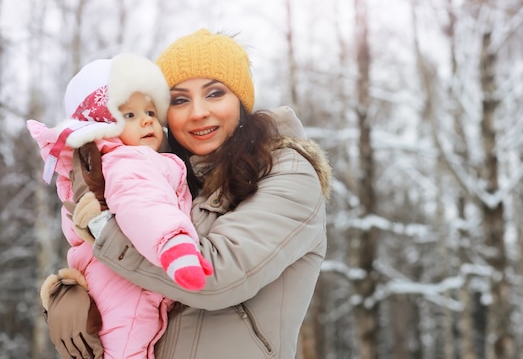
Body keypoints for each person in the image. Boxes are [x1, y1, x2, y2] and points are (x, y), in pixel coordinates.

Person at [41, 28, 332, 359]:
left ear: (241, 100)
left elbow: (219, 276)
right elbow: (119, 274)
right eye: (179, 100)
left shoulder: (288, 173)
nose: (197, 112)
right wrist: (68, 293)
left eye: (215, 93)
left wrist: (102, 230)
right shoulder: (166, 175)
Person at [28, 53, 213, 359]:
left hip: (116, 278)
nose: (147, 120)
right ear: (103, 126)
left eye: (151, 111)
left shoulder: (109, 161)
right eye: (129, 115)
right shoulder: (128, 161)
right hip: (125, 286)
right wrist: (174, 245)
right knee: (127, 346)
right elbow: (142, 205)